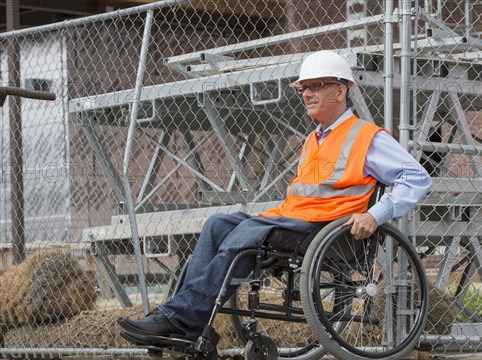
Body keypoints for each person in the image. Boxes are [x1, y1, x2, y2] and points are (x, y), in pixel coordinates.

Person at [118, 50, 431, 341]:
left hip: (330, 231)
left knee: (249, 233)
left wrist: (375, 215)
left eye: (316, 86)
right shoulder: (315, 140)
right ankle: (189, 323)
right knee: (217, 224)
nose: (307, 94)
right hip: (296, 222)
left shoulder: (367, 137)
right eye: (303, 88)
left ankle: (180, 319)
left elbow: (417, 178)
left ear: (341, 90)